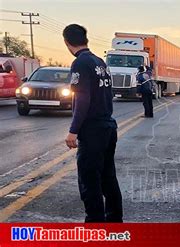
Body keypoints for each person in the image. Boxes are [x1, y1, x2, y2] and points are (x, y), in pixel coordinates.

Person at [63, 24, 123, 222]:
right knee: (108, 179)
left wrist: (73, 130)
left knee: (89, 182)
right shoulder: (99, 62)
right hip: (107, 127)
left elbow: (82, 98)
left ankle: (95, 227)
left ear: (67, 42)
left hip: (93, 131)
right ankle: (115, 223)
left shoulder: (80, 63)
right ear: (85, 39)